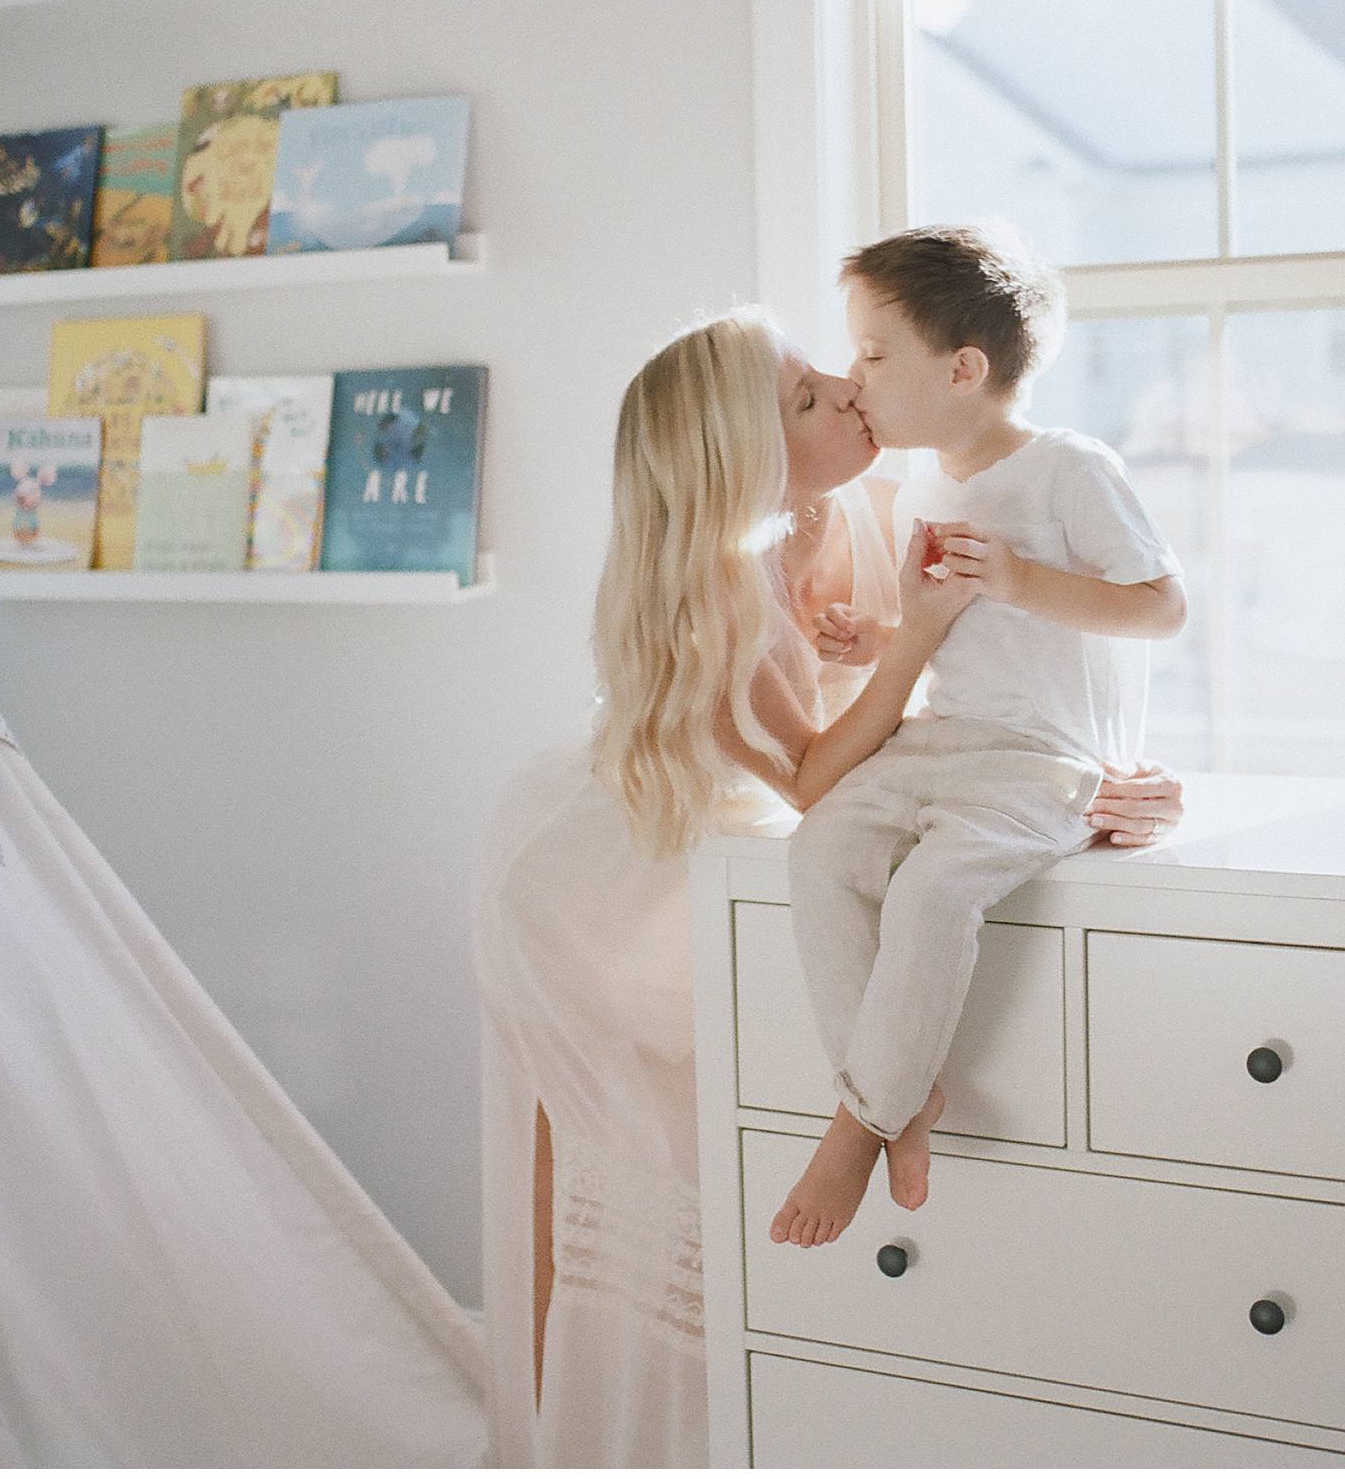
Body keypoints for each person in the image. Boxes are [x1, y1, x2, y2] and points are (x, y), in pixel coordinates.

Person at [473, 307, 1185, 1466]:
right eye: (808, 395)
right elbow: (816, 771)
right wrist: (916, 638)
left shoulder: (856, 505)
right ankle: (595, 1427)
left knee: (797, 1029)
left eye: (828, 373)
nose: (847, 394)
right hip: (601, 868)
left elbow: (968, 693)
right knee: (637, 1173)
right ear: (744, 458)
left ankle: (872, 1131)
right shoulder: (715, 586)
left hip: (751, 815)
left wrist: (1093, 773)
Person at [766, 226, 1187, 1249]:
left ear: (962, 370)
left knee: (932, 890)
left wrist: (1018, 579)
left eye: (872, 355)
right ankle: (899, 1103)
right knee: (820, 854)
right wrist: (876, 637)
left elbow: (1161, 607)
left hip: (1040, 757)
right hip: (940, 737)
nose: (853, 378)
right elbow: (954, 627)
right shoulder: (922, 484)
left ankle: (857, 1125)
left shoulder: (1065, 470)